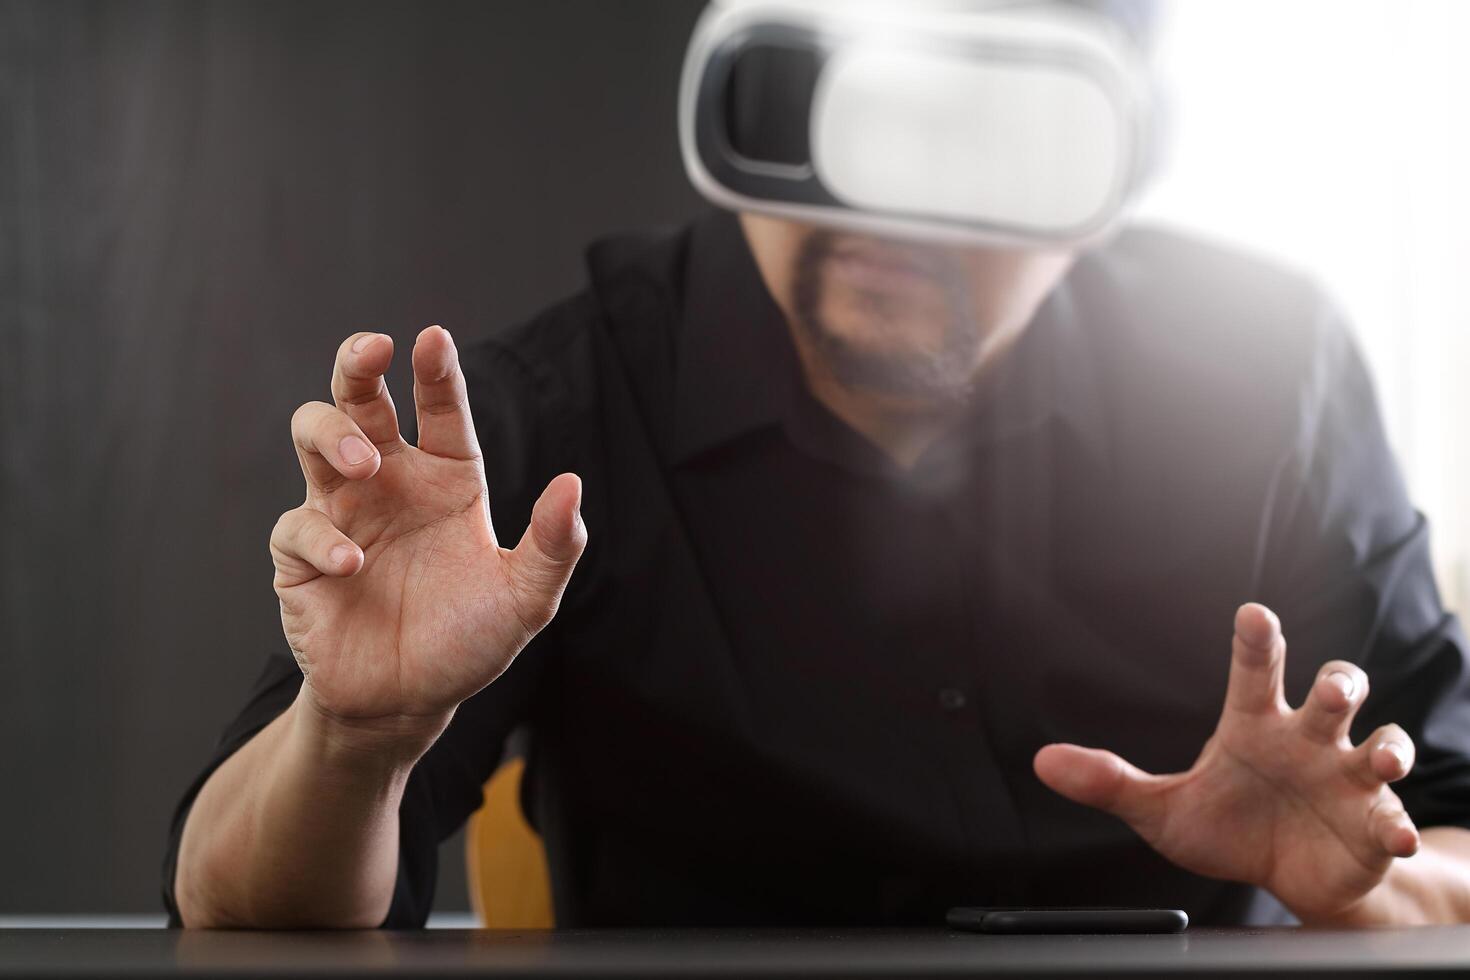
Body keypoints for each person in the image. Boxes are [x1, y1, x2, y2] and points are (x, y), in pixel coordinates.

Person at [165, 6, 1470, 931]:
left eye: (978, 134)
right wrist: (355, 740)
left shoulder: (1263, 374)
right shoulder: (551, 417)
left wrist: (1364, 888)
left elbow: (1452, 838)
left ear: (1102, 171)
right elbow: (224, 897)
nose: (882, 208)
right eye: (836, 106)